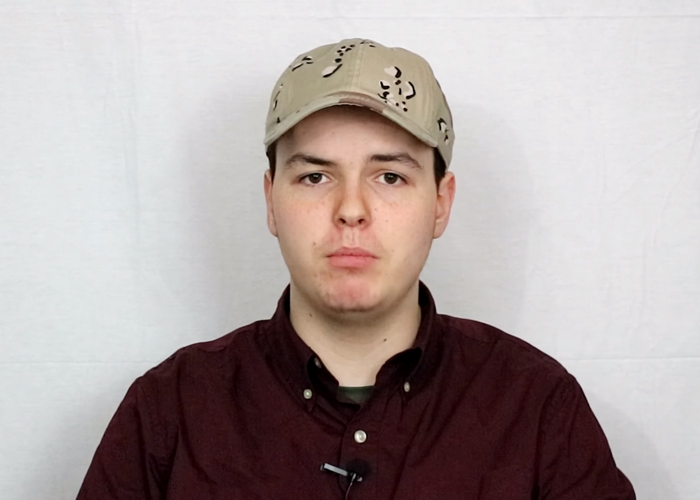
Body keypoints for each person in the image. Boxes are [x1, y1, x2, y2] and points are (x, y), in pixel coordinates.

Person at [77, 38, 635, 499]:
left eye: (389, 176)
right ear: (271, 201)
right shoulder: (170, 411)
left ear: (441, 203)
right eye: (315, 176)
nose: (350, 209)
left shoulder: (536, 407)